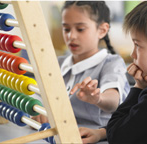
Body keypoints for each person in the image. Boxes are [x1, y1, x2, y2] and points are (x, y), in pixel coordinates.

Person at [79, 1, 147, 144]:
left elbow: (117, 137)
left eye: (138, 45)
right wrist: (101, 132)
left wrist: (138, 88)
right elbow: (145, 127)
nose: (133, 54)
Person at [32, 1, 130, 129]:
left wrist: (98, 98)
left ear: (102, 30)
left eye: (80, 29)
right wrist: (38, 108)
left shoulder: (111, 63)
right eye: (66, 29)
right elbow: (38, 93)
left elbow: (113, 100)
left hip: (95, 138)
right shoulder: (58, 63)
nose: (71, 36)